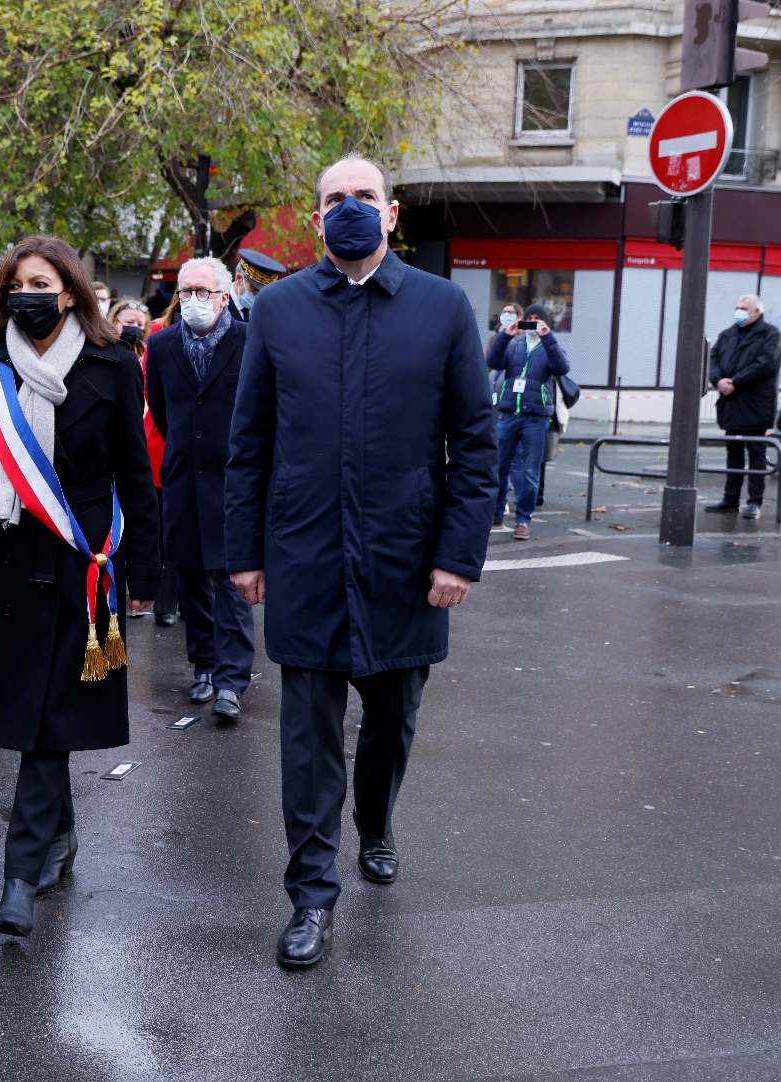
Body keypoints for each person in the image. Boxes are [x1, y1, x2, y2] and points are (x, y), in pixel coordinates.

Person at [226, 154, 496, 967]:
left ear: (392, 212)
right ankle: (311, 897)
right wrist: (245, 553)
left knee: (391, 724)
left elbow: (476, 448)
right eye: (333, 199)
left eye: (364, 197)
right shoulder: (277, 309)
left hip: (404, 564)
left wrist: (459, 557)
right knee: (307, 739)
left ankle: (374, 824)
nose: (349, 208)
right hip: (305, 558)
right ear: (316, 218)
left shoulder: (443, 308)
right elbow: (249, 446)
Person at [0, 235, 159, 937]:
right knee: (34, 717)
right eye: (16, 284)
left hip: (80, 563)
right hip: (1, 565)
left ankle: (18, 876)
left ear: (70, 291)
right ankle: (59, 835)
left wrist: (144, 570)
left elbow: (134, 476)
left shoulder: (114, 365)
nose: (29, 294)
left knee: (46, 725)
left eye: (42, 282)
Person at [147, 257, 254, 720]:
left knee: (232, 583)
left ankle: (232, 679)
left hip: (234, 483)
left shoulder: (248, 341)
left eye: (202, 292)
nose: (191, 300)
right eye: (185, 292)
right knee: (191, 577)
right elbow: (162, 410)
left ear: (224, 295)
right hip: (183, 480)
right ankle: (205, 667)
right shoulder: (163, 343)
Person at [112, 297, 178, 626]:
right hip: (138, 448)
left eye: (139, 322)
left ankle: (163, 599)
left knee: (163, 530)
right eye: (128, 322)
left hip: (156, 447)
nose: (134, 328)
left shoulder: (151, 347)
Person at [487, 302, 567, 540]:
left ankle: (523, 520)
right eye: (529, 318)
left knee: (530, 471)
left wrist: (548, 337)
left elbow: (561, 368)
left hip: (536, 417)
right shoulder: (514, 345)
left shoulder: (550, 347)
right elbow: (494, 361)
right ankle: (497, 513)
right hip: (509, 413)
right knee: (499, 468)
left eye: (537, 318)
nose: (532, 322)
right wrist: (505, 335)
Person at [705, 294, 781, 520]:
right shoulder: (728, 334)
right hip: (731, 403)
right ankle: (730, 499)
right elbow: (713, 359)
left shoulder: (771, 335)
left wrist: (735, 381)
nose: (738, 311)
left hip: (756, 404)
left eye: (743, 308)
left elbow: (767, 364)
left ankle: (754, 501)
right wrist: (718, 380)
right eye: (737, 307)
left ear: (756, 312)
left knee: (756, 453)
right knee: (733, 452)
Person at [229, 247, 287, 323]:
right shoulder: (217, 305)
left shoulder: (264, 312)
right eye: (255, 289)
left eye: (262, 291)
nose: (258, 295)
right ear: (239, 279)